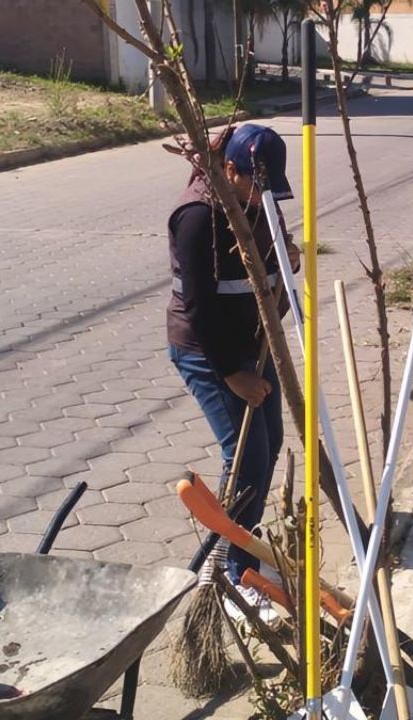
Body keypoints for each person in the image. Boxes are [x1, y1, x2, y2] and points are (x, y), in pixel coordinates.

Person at [166, 124, 298, 616]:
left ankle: (244, 553)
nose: (263, 198)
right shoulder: (198, 216)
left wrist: (287, 258)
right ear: (228, 169)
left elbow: (273, 248)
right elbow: (199, 307)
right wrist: (231, 374)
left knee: (269, 443)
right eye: (255, 186)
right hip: (208, 352)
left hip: (252, 343)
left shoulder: (256, 196)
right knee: (246, 460)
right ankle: (233, 571)